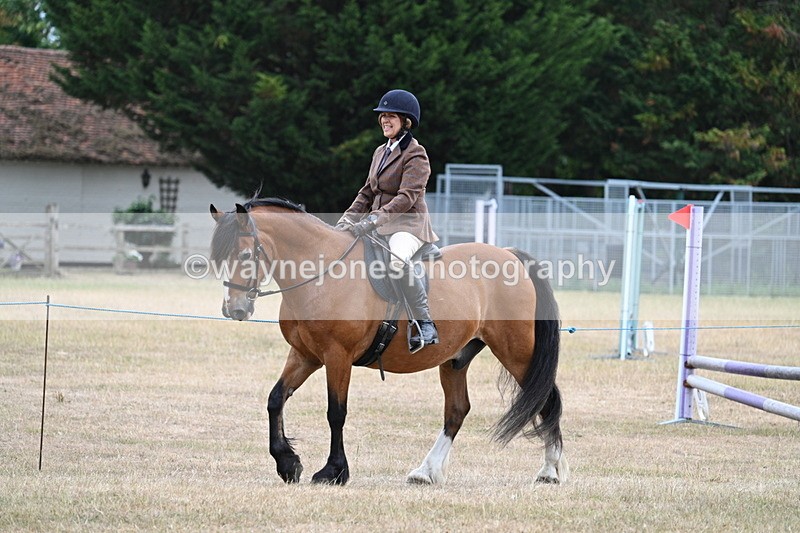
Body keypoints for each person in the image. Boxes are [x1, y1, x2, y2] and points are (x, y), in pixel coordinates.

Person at [336, 89, 439, 350]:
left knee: (397, 258)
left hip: (408, 227)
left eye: (391, 116)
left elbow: (406, 198)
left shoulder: (417, 154)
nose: (384, 120)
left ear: (406, 121)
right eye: (382, 116)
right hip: (380, 225)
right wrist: (347, 220)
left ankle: (424, 323)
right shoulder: (380, 152)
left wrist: (373, 220)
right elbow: (367, 192)